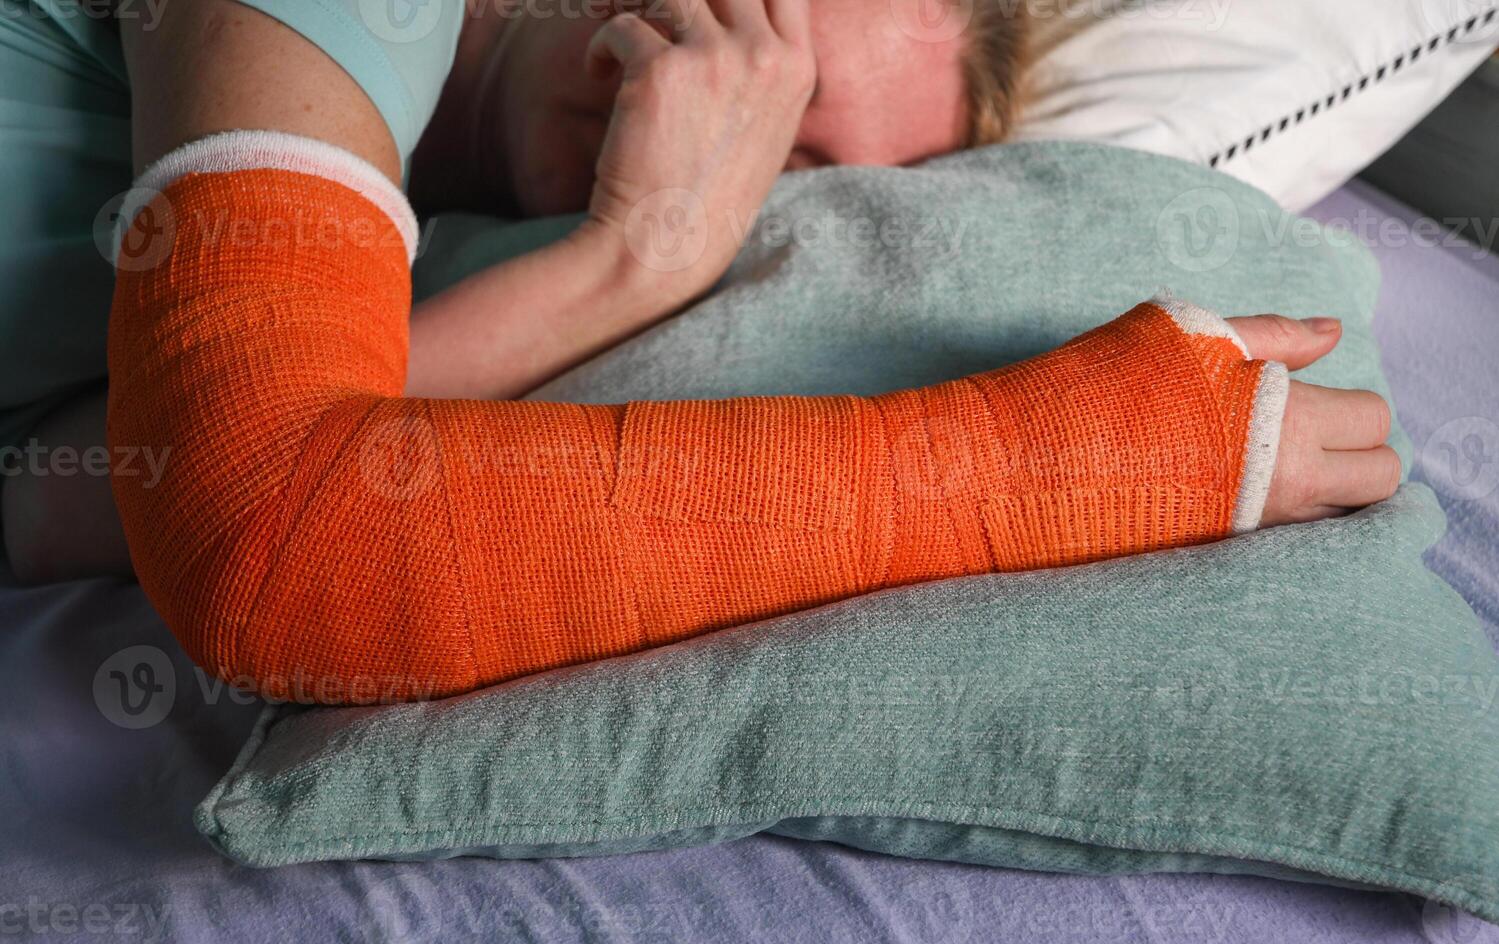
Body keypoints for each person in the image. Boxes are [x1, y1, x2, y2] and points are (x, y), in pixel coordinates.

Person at [8, 0, 1398, 705]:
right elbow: (276, 538)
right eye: (740, 13)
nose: (695, 82)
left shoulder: (381, 242)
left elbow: (128, 487)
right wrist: (1044, 467)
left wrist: (620, 270)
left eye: (787, 152)